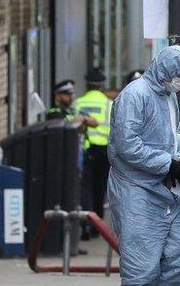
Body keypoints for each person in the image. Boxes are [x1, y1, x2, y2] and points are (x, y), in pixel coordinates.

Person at [108, 45, 180, 285]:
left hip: (165, 191)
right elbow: (126, 144)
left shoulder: (168, 96)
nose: (179, 82)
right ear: (164, 70)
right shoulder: (135, 95)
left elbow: (166, 136)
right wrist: (166, 163)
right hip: (136, 192)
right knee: (142, 269)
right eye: (177, 77)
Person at [74, 67, 113, 239]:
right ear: (101, 86)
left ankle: (86, 224)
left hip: (85, 150)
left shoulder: (78, 103)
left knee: (85, 188)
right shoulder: (108, 104)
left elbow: (71, 124)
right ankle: (98, 226)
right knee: (100, 188)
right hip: (104, 152)